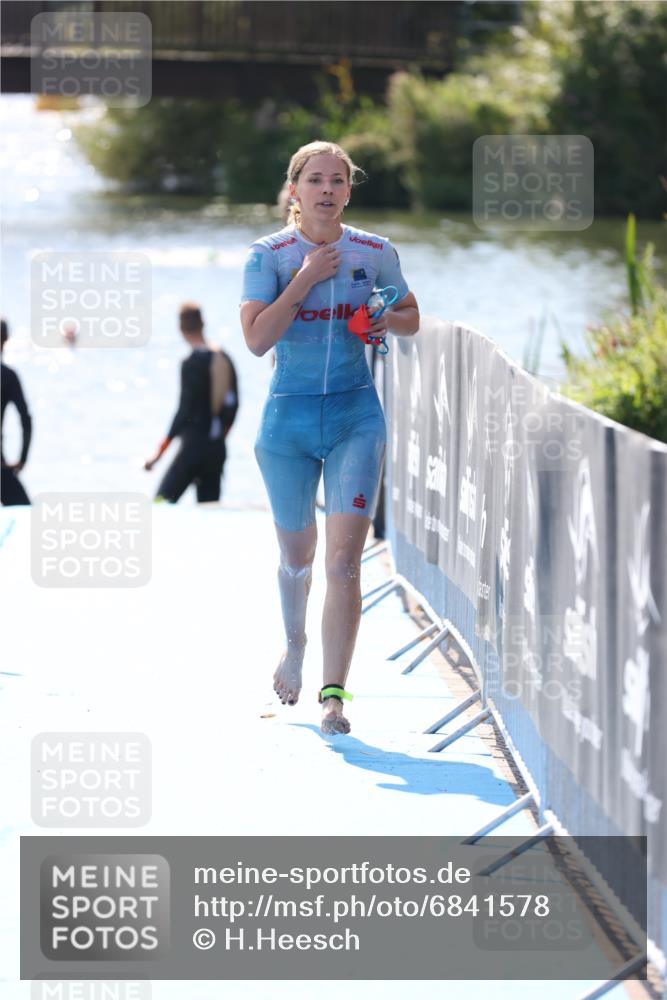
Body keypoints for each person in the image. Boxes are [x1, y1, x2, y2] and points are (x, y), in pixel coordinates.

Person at [240, 140, 419, 735]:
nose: (325, 190)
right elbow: (258, 340)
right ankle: (294, 646)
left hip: (354, 417)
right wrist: (306, 279)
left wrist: (381, 319)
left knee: (344, 563)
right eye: (314, 180)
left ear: (348, 189)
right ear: (295, 190)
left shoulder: (374, 250)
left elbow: (411, 314)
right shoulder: (268, 255)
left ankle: (333, 697)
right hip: (286, 424)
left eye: (336, 180)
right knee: (300, 560)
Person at [144, 303, 239, 503]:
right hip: (216, 450)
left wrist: (158, 454)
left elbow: (184, 412)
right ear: (202, 323)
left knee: (159, 503)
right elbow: (234, 405)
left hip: (193, 448)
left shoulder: (191, 363)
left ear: (181, 329)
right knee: (209, 512)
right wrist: (220, 437)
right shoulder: (225, 357)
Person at [1, 319, 32, 506]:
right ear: (5, 339)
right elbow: (26, 420)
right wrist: (22, 459)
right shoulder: (7, 376)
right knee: (25, 514)